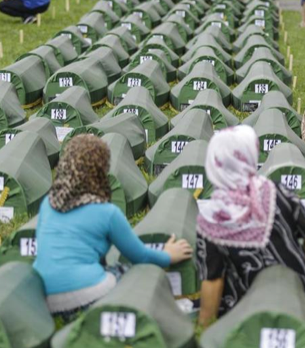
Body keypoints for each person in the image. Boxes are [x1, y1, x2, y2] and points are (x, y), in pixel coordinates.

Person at [34, 135, 193, 318]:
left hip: (45, 296)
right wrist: (168, 255)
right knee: (128, 272)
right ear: (101, 169)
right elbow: (140, 256)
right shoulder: (107, 212)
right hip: (85, 293)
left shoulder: (48, 203)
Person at [196, 125, 305, 326]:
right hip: (303, 301)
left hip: (246, 314)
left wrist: (205, 327)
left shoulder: (213, 218)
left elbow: (213, 280)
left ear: (215, 163)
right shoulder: (278, 193)